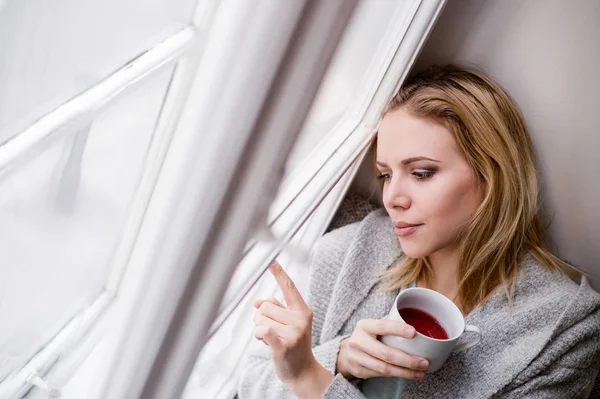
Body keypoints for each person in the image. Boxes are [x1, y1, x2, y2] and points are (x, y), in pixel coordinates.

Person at [237, 65, 600, 398]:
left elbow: (302, 379)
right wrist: (338, 358)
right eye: (385, 174)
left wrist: (311, 380)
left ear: (492, 177)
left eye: (422, 173)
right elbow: (252, 380)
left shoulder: (564, 330)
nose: (392, 197)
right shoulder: (346, 252)